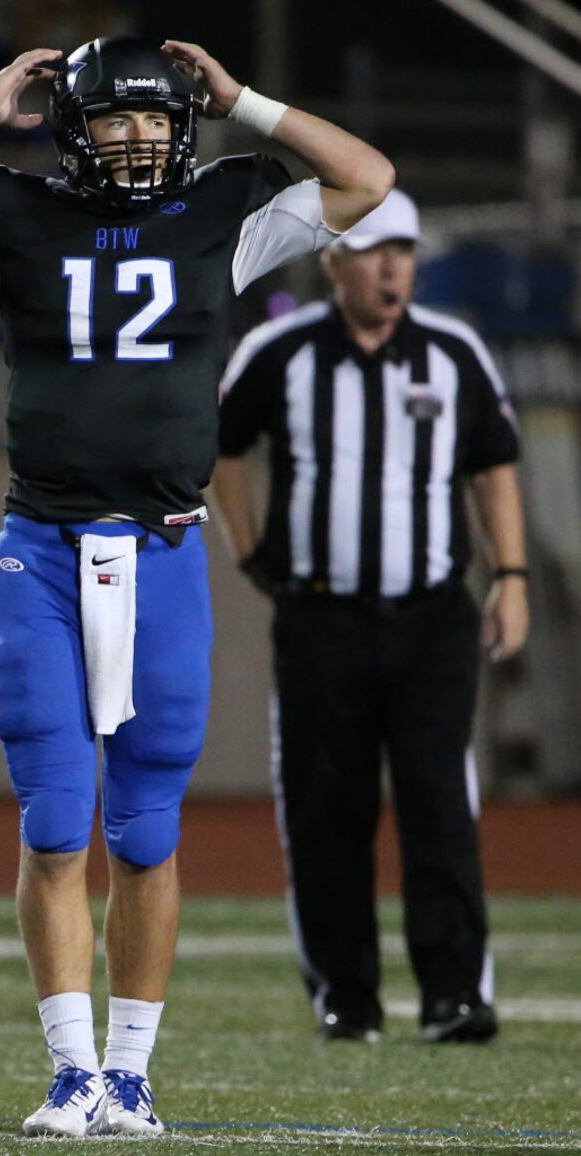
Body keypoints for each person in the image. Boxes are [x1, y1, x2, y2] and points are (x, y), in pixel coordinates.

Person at [0, 35, 393, 1136]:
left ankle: (130, 1076)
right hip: (39, 549)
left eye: (155, 118)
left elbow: (367, 179)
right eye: (113, 117)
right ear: (71, 127)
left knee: (142, 830)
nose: (136, 137)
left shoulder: (222, 214)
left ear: (183, 126)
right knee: (52, 825)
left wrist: (245, 100)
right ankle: (70, 1071)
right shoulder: (13, 214)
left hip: (165, 551)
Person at [213, 188, 528, 1046]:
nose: (393, 267)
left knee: (439, 804)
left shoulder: (454, 351)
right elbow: (221, 445)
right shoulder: (280, 352)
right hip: (321, 620)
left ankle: (454, 991)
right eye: (374, 250)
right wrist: (247, 550)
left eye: (405, 252)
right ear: (333, 260)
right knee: (326, 807)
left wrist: (512, 574)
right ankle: (345, 992)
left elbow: (494, 466)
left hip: (430, 619)